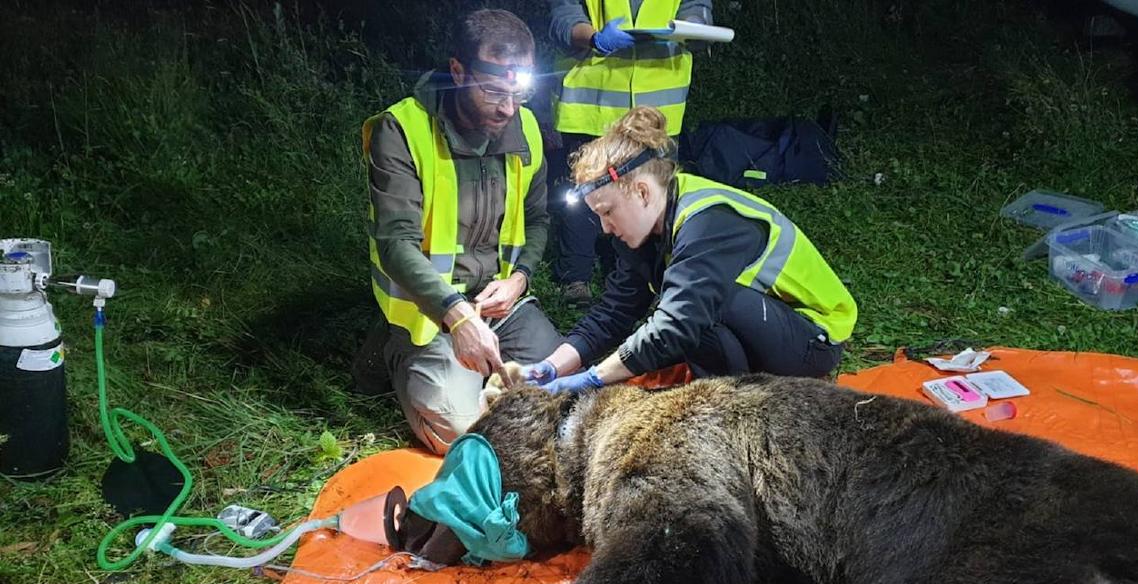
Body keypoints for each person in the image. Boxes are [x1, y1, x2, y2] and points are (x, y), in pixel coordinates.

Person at [524, 106, 857, 394]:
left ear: (641, 192)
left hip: (812, 339)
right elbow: (615, 312)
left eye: (607, 212)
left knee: (692, 311)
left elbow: (677, 323)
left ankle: (738, 407)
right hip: (760, 328)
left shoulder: (708, 221)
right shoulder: (644, 230)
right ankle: (732, 395)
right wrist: (553, 368)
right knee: (682, 316)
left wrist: (594, 378)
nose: (605, 228)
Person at [352, 9, 563, 454]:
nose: (508, 108)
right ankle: (396, 353)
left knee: (565, 393)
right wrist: (457, 316)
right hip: (429, 316)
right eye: (492, 92)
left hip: (500, 306)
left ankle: (479, 368)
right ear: (458, 72)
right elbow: (395, 244)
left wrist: (520, 278)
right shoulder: (402, 130)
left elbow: (539, 218)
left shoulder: (524, 125)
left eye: (518, 93)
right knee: (466, 435)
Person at [548, 0, 713, 306]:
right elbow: (562, 19)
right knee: (584, 195)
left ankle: (639, 279)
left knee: (648, 197)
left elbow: (698, 9)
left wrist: (692, 28)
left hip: (657, 110)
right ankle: (575, 277)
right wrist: (594, 38)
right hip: (592, 107)